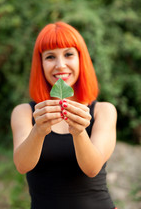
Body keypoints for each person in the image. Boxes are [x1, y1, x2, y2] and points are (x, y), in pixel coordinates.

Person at [11, 21, 117, 209]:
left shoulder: (104, 111)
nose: (60, 65)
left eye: (68, 54)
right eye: (50, 57)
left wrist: (78, 131)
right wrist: (38, 130)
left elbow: (92, 169)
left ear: (80, 59)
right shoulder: (25, 113)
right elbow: (22, 165)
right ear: (40, 64)